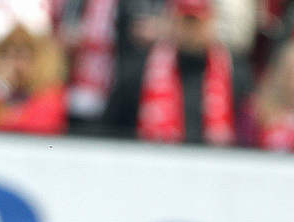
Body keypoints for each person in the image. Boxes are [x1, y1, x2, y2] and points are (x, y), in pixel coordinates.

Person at [103, 0, 251, 145]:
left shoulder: (236, 75)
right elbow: (112, 128)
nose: (190, 30)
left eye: (196, 22)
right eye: (183, 21)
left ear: (211, 24)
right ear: (170, 22)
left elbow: (248, 133)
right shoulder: (139, 72)